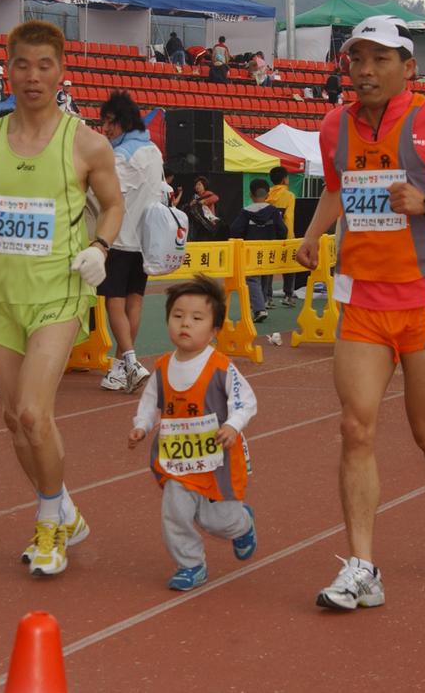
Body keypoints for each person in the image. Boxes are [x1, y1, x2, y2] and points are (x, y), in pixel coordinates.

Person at [295, 16, 425, 611]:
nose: (365, 69)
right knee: (355, 427)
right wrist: (314, 234)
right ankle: (362, 567)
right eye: (357, 58)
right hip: (360, 297)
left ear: (408, 68)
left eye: (380, 59)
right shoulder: (334, 124)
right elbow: (337, 188)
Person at [0, 20, 123, 577]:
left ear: (62, 72)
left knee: (37, 413)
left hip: (58, 297)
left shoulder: (86, 143)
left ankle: (48, 525)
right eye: (22, 65)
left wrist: (102, 248)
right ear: (6, 70)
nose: (33, 76)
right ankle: (64, 508)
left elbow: (112, 206)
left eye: (44, 65)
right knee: (15, 419)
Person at [127, 276, 258, 590]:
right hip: (178, 461)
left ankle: (242, 524)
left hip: (218, 460)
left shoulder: (221, 368)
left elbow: (246, 401)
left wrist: (232, 425)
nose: (185, 323)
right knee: (175, 513)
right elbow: (150, 401)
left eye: (197, 318)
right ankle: (190, 564)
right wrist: (141, 425)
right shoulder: (161, 367)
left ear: (214, 330)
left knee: (218, 522)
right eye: (177, 316)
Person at [97, 91, 164, 393]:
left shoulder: (119, 156)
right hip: (146, 241)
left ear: (123, 121)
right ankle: (120, 367)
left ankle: (131, 361)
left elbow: (105, 196)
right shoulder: (153, 151)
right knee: (134, 301)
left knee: (114, 301)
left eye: (110, 122)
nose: (106, 129)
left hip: (119, 238)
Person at [229, 179, 287, 323]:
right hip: (269, 251)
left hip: (250, 250)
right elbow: (283, 230)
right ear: (268, 194)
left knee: (252, 279)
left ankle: (259, 308)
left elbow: (235, 230)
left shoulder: (246, 212)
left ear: (250, 194)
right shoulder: (274, 211)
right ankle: (263, 303)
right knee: (265, 277)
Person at [266, 166, 298, 306]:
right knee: (289, 265)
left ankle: (267, 297)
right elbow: (288, 218)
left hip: (269, 235)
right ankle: (288, 295)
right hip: (285, 235)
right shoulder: (289, 196)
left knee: (269, 266)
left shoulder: (267, 195)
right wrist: (290, 237)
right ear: (285, 179)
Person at [186, 176, 220, 241]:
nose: (197, 186)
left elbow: (216, 198)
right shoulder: (195, 197)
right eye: (196, 185)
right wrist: (191, 204)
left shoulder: (208, 194)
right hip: (198, 224)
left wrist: (205, 201)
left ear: (204, 186)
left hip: (207, 223)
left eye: (199, 184)